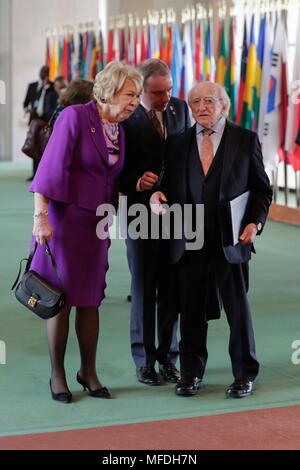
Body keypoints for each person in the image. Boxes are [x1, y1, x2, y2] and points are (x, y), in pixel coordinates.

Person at [29, 62, 143, 403]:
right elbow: (50, 169)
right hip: (65, 223)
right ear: (108, 92)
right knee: (60, 300)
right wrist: (41, 218)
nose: (134, 102)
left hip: (97, 225)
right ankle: (58, 375)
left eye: (137, 96)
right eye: (129, 94)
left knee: (91, 299)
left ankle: (88, 372)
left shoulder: (119, 129)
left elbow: (112, 177)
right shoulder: (75, 117)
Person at [151, 81, 273, 398]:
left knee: (237, 310)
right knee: (190, 310)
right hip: (188, 240)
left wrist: (254, 223)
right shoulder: (176, 143)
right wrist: (157, 195)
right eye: (195, 103)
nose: (202, 107)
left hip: (231, 240)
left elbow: (261, 189)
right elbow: (165, 185)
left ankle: (244, 374)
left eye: (209, 101)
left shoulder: (245, 140)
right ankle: (191, 374)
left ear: (224, 105)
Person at [120, 59, 190, 386]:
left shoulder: (181, 109)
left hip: (175, 213)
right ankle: (144, 360)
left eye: (169, 90)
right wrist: (137, 182)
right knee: (144, 288)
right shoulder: (127, 116)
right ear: (142, 88)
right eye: (158, 92)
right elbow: (115, 170)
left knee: (172, 289)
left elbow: (187, 158)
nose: (166, 98)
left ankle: (168, 357)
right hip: (138, 212)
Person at [23, 65, 54, 180]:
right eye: (42, 71)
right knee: (34, 147)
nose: (43, 73)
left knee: (45, 148)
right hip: (34, 121)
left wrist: (48, 86)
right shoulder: (32, 86)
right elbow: (25, 103)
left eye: (45, 71)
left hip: (47, 121)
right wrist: (27, 109)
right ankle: (35, 174)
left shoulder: (52, 86)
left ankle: (44, 174)